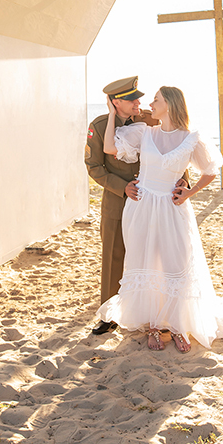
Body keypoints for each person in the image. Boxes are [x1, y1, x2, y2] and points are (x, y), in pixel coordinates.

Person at [98, 86, 223, 352]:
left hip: (173, 207)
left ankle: (177, 327)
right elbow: (109, 147)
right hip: (141, 207)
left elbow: (211, 169)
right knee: (147, 262)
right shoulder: (144, 132)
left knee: (175, 264)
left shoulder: (191, 138)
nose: (150, 104)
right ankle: (154, 326)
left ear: (171, 104)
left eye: (156, 100)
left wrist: (190, 192)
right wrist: (111, 113)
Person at [84, 76, 146, 335]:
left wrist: (182, 182)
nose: (138, 103)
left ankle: (146, 310)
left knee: (148, 255)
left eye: (138, 97)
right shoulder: (99, 126)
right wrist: (121, 187)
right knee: (113, 256)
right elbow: (94, 166)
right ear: (115, 102)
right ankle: (108, 315)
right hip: (116, 202)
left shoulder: (150, 120)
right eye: (132, 99)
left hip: (148, 200)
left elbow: (172, 152)